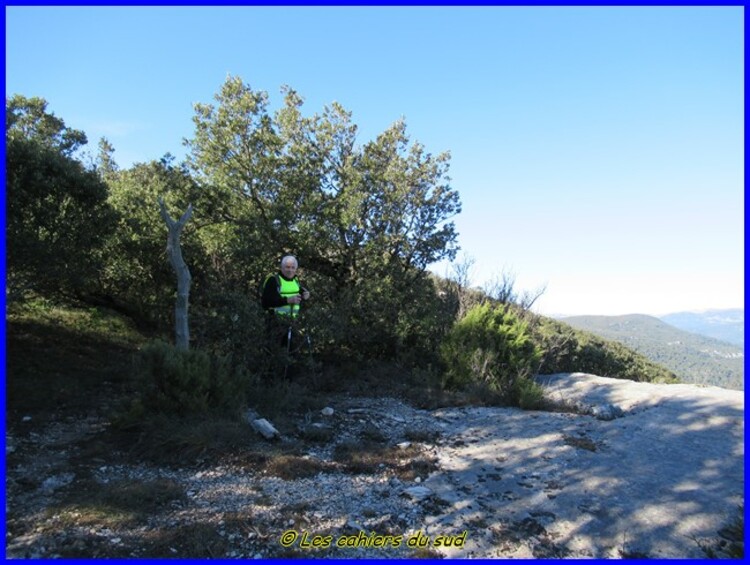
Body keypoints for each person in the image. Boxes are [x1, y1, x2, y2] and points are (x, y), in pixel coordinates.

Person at [261, 255, 311, 348]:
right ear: (282, 268)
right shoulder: (273, 280)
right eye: (287, 267)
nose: (290, 270)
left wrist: (305, 294)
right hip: (275, 323)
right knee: (274, 352)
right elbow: (266, 302)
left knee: (292, 352)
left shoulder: (295, 280)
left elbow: (299, 290)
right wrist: (287, 300)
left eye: (293, 267)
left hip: (293, 323)